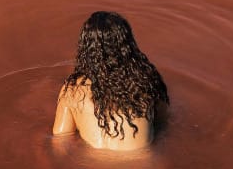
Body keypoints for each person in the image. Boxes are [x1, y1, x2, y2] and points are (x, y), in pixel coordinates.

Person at [53, 11, 169, 150]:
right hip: (143, 163)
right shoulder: (147, 81)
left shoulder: (72, 90)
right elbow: (163, 121)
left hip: (93, 164)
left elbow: (60, 139)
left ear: (86, 48)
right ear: (128, 45)